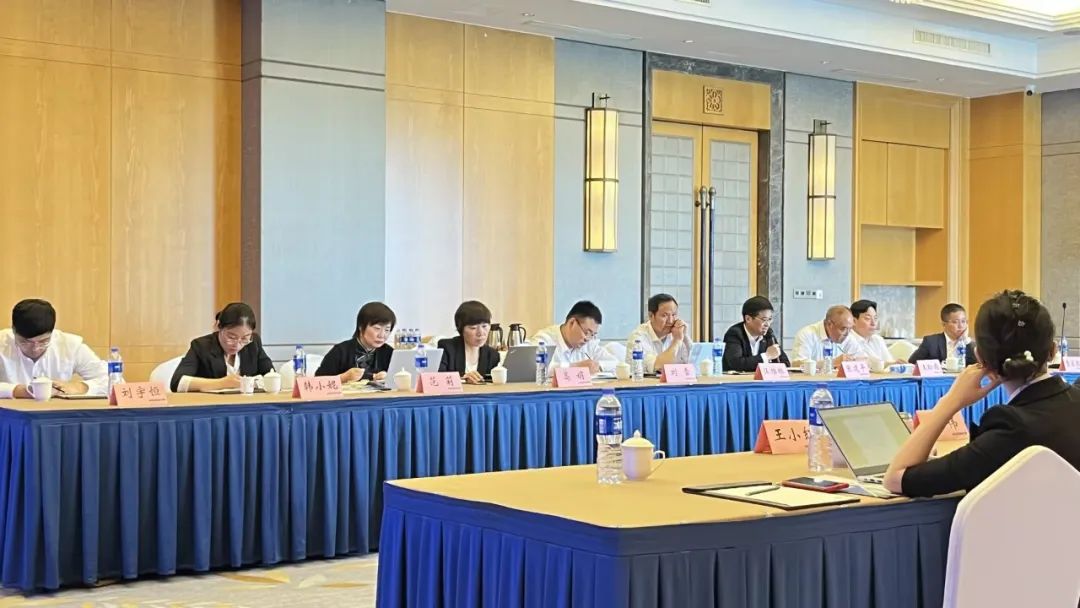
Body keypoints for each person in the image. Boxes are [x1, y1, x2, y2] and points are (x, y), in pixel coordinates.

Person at [885, 290, 1080, 497]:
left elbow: (896, 478)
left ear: (980, 357)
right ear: (1053, 351)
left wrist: (950, 402)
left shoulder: (1010, 427)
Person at [0, 299, 108, 399]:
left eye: (43, 341)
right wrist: (20, 391)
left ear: (52, 332)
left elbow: (111, 380)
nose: (35, 348)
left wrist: (79, 387)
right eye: (25, 342)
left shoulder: (70, 345)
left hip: (57, 412)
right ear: (13, 330)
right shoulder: (2, 342)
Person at [171, 302, 274, 392]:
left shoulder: (253, 343)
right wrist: (222, 383)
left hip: (248, 405)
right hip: (212, 406)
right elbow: (177, 383)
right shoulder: (201, 346)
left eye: (245, 338)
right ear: (218, 326)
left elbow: (272, 376)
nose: (237, 344)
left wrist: (250, 382)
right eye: (231, 337)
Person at [316, 301, 396, 383]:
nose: (382, 335)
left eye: (387, 330)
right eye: (377, 328)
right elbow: (316, 383)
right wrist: (343, 378)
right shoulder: (340, 351)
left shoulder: (390, 353)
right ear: (361, 327)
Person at [532, 301, 618, 374]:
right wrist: (575, 367)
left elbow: (616, 364)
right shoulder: (544, 339)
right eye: (586, 332)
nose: (587, 339)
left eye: (592, 335)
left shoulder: (589, 344)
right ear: (572, 323)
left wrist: (598, 366)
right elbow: (534, 368)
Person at [624, 294, 691, 374]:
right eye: (664, 315)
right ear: (651, 316)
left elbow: (693, 364)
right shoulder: (638, 338)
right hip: (642, 381)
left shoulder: (676, 332)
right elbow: (660, 366)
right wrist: (677, 341)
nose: (670, 321)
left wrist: (685, 336)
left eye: (674, 315)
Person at [438, 301, 501, 384]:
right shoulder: (447, 348)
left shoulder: (492, 355)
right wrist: (462, 379)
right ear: (461, 329)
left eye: (484, 326)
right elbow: (437, 379)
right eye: (473, 328)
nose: (480, 333)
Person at [722, 296, 790, 372]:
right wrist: (767, 356)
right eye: (764, 320)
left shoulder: (768, 334)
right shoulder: (735, 333)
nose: (767, 324)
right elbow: (736, 364)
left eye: (770, 319)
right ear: (748, 319)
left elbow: (785, 363)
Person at [790, 305, 860, 369]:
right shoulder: (807, 334)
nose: (847, 334)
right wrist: (832, 363)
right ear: (829, 324)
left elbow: (861, 360)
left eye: (850, 329)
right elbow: (796, 365)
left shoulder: (849, 337)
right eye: (843, 329)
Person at [908, 303, 977, 365]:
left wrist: (966, 341)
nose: (961, 326)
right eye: (955, 322)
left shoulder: (971, 344)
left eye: (963, 321)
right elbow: (912, 362)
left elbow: (978, 364)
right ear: (944, 324)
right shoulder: (931, 342)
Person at [848, 299, 906, 367]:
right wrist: (887, 364)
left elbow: (890, 363)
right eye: (867, 318)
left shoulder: (878, 339)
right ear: (854, 321)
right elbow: (865, 365)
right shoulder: (848, 340)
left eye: (875, 318)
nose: (873, 323)